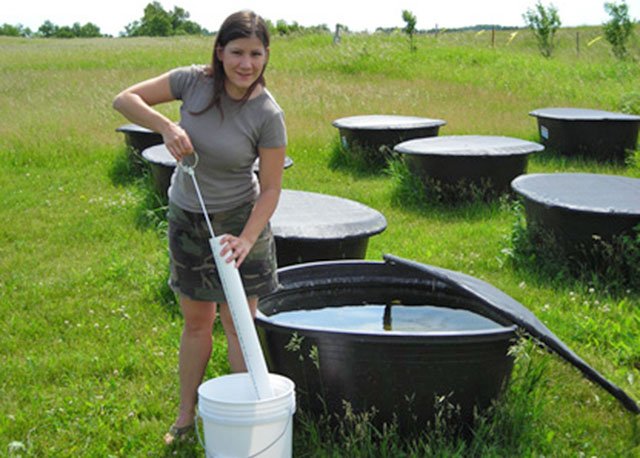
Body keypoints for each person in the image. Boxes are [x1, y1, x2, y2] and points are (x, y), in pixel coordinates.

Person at [112, 10, 286, 444]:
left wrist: (246, 239)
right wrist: (167, 126)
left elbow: (269, 191)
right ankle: (185, 417)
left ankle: (246, 421)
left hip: (240, 223)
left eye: (256, 54)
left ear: (266, 56)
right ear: (220, 51)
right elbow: (124, 99)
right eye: (237, 52)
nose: (246, 64)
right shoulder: (192, 82)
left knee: (237, 324)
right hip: (189, 218)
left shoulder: (267, 113)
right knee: (196, 323)